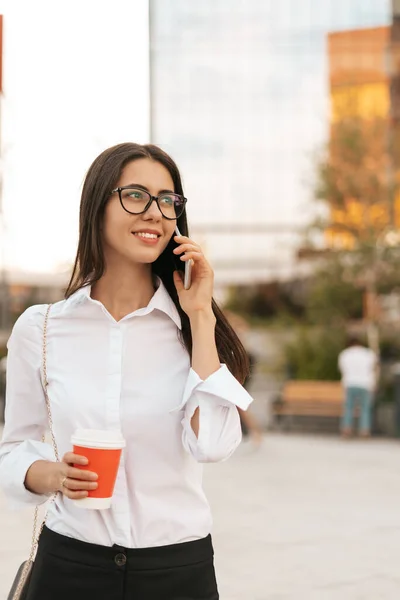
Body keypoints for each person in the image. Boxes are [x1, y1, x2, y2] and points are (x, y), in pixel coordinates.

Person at [0, 143, 253, 600]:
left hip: (177, 571)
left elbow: (213, 445)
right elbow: (13, 448)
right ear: (98, 206)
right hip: (69, 566)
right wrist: (53, 475)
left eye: (168, 201)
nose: (155, 212)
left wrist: (200, 319)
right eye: (136, 195)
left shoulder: (191, 328)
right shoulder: (41, 329)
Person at [338, 336, 378, 439]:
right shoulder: (368, 354)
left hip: (350, 382)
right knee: (365, 408)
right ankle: (364, 430)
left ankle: (347, 429)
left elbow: (342, 369)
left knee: (348, 408)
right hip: (365, 383)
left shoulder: (345, 354)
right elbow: (373, 368)